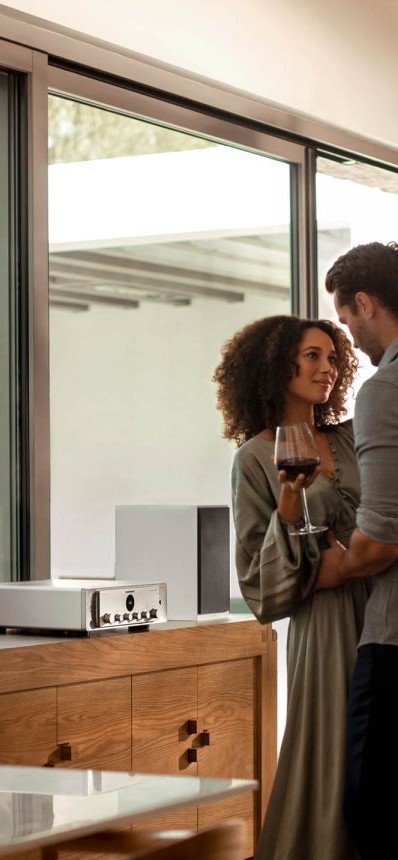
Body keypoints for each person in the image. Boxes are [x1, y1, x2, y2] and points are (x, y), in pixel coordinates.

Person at [213, 315, 369, 860]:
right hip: (324, 625)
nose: (326, 368)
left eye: (332, 358)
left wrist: (346, 561)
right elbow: (259, 583)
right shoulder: (254, 458)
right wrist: (290, 513)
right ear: (278, 363)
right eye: (312, 356)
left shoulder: (350, 438)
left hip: (383, 608)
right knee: (331, 749)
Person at [320, 241, 398, 860]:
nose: (352, 343)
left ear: (366, 303)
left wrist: (333, 568)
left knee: (371, 811)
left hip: (395, 639)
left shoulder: (385, 388)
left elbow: (380, 540)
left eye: (348, 324)